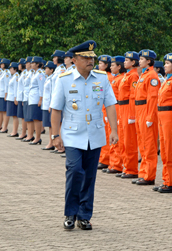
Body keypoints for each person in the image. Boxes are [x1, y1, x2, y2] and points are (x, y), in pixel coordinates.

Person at [50, 40, 118, 230]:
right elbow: (55, 109)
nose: (90, 61)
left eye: (92, 58)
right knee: (74, 170)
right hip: (72, 135)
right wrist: (55, 135)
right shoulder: (64, 79)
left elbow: (110, 104)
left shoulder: (101, 78)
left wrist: (114, 130)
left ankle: (84, 215)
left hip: (94, 134)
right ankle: (70, 213)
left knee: (89, 175)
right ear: (75, 59)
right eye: (85, 58)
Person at [151, 53, 172, 193]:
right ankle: (166, 180)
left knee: (171, 150)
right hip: (163, 116)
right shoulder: (167, 80)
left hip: (170, 116)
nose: (164, 65)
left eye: (168, 63)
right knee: (164, 150)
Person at [134, 49, 161, 185]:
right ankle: (143, 173)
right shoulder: (144, 75)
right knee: (142, 143)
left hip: (146, 109)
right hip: (139, 109)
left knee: (149, 144)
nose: (140, 60)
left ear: (149, 61)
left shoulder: (152, 76)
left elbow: (152, 98)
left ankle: (149, 175)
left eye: (142, 58)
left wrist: (150, 117)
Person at [118, 51, 140, 180]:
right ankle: (126, 167)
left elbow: (133, 96)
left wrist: (132, 115)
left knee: (129, 140)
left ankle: (131, 169)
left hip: (128, 107)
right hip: (122, 107)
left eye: (127, 60)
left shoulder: (134, 76)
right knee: (123, 139)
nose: (125, 62)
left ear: (133, 62)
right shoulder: (127, 75)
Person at [104, 56, 126, 173]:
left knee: (116, 136)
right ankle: (112, 163)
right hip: (113, 106)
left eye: (113, 65)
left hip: (118, 107)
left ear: (119, 66)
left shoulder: (121, 78)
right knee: (110, 136)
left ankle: (117, 164)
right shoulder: (115, 78)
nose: (110, 67)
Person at [97, 55, 114, 171]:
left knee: (107, 136)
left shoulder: (108, 77)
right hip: (101, 107)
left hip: (106, 107)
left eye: (101, 63)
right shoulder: (101, 76)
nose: (99, 65)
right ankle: (103, 158)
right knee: (103, 134)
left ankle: (105, 159)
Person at [41, 61, 56, 150]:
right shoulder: (48, 78)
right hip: (46, 103)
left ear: (51, 70)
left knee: (52, 124)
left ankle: (53, 143)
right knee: (49, 125)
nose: (45, 70)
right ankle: (50, 142)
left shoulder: (52, 78)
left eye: (47, 68)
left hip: (50, 104)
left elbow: (53, 93)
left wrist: (51, 104)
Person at [22, 56, 36, 142]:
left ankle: (30, 135)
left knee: (30, 118)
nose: (27, 65)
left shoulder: (32, 73)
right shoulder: (28, 73)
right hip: (27, 97)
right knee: (27, 117)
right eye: (27, 63)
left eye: (29, 63)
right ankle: (29, 135)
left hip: (30, 97)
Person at [15, 58, 28, 139]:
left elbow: (24, 87)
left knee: (24, 116)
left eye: (19, 64)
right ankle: (23, 132)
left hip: (23, 97)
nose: (18, 66)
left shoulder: (25, 73)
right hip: (20, 97)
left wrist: (23, 98)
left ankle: (24, 133)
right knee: (22, 116)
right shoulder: (22, 73)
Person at [6, 62, 20, 137]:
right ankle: (13, 130)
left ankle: (15, 131)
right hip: (10, 97)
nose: (10, 70)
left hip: (13, 98)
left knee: (15, 115)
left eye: (11, 68)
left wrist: (15, 98)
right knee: (13, 115)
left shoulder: (16, 76)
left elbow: (16, 88)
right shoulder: (13, 76)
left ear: (15, 69)